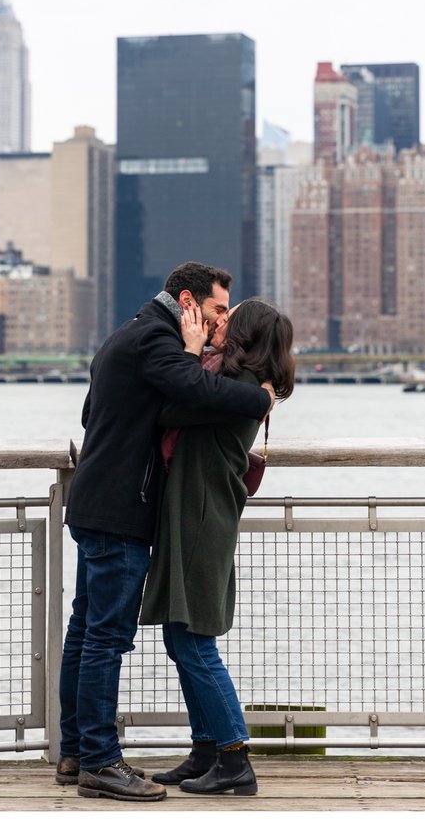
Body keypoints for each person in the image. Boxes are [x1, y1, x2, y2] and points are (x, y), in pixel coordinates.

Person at [57, 262, 273, 802]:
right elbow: (191, 391)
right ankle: (102, 762)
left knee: (86, 631)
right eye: (219, 309)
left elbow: (91, 413)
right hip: (120, 508)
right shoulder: (158, 339)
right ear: (189, 303)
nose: (222, 321)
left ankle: (77, 752)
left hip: (98, 501)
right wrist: (262, 398)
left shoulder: (126, 335)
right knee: (105, 637)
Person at [141, 298, 296, 797]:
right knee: (182, 634)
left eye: (230, 319)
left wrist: (188, 351)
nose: (219, 323)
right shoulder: (240, 385)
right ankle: (207, 750)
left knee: (192, 639)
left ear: (246, 335)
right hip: (197, 511)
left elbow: (170, 404)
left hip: (202, 517)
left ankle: (234, 755)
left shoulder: (241, 388)